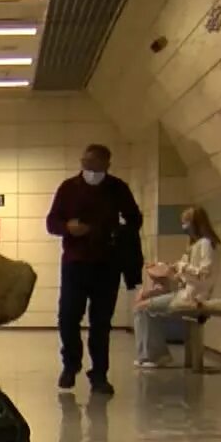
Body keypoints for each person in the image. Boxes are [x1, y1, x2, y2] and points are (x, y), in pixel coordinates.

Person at [44, 143, 142, 394]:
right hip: (75, 263)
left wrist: (114, 232)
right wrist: (68, 227)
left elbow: (134, 219)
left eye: (95, 165)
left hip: (107, 263)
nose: (89, 169)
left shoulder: (117, 188)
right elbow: (52, 222)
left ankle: (99, 374)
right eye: (85, 164)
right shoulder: (68, 188)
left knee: (101, 322)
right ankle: (71, 364)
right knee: (67, 317)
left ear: (107, 165)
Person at [133, 205, 220, 368]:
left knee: (143, 308)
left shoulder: (206, 244)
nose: (183, 227)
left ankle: (155, 355)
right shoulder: (195, 245)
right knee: (143, 304)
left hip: (194, 297)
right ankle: (150, 353)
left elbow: (204, 274)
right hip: (187, 292)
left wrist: (182, 267)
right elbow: (185, 274)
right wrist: (167, 268)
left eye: (186, 223)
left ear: (195, 224)